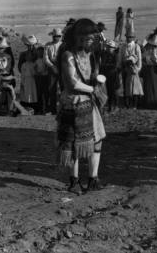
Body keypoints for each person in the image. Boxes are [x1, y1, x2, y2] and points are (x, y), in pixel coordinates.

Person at [56, 18, 107, 193]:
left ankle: (93, 179)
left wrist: (98, 84)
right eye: (88, 35)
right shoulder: (67, 55)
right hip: (73, 104)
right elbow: (73, 83)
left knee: (97, 140)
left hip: (89, 104)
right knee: (73, 145)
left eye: (93, 35)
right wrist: (94, 89)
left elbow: (93, 75)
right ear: (78, 36)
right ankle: (74, 181)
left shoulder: (90, 55)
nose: (92, 38)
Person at [118, 32, 143, 109]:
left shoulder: (136, 46)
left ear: (133, 38)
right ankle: (126, 104)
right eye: (127, 37)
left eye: (130, 37)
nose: (128, 38)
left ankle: (134, 105)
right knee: (126, 86)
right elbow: (120, 57)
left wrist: (138, 69)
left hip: (133, 69)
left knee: (134, 87)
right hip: (125, 68)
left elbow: (139, 58)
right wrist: (119, 66)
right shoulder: (123, 46)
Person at [0, 38, 15, 115]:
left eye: (1, 48)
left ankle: (10, 108)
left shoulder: (8, 57)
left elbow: (9, 67)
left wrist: (4, 73)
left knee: (10, 91)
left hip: (6, 76)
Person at [45, 28, 63, 114]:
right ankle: (52, 109)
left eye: (58, 36)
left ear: (60, 37)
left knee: (63, 89)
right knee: (52, 89)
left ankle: (63, 108)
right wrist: (52, 66)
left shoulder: (63, 45)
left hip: (61, 68)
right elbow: (46, 58)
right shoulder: (48, 45)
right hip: (51, 68)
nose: (56, 38)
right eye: (55, 36)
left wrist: (59, 67)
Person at [141, 34, 157, 109]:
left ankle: (155, 102)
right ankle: (147, 102)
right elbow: (142, 59)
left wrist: (154, 56)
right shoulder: (146, 53)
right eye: (153, 46)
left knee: (155, 86)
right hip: (148, 70)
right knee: (148, 86)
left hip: (155, 70)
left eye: (155, 46)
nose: (154, 48)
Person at [100, 40, 120, 112]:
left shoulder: (116, 56)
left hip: (114, 75)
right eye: (108, 47)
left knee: (115, 91)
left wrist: (105, 65)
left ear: (113, 48)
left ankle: (116, 106)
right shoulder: (105, 55)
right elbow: (103, 65)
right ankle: (110, 106)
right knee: (109, 91)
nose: (109, 48)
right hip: (108, 75)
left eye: (111, 47)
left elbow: (115, 66)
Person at [34, 46, 49, 114]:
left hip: (45, 78)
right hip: (38, 79)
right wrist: (38, 73)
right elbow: (35, 71)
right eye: (38, 52)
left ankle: (46, 109)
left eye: (40, 52)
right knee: (39, 94)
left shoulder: (45, 60)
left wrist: (41, 73)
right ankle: (40, 109)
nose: (39, 54)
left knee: (46, 94)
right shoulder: (36, 61)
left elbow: (46, 71)